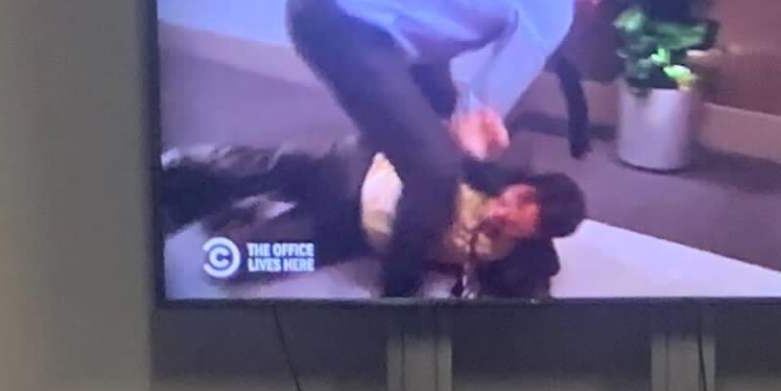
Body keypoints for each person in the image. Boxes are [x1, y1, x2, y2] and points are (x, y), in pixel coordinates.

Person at [287, 0, 624, 296]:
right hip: (342, 17)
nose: (596, 2)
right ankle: (398, 298)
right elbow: (475, 119)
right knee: (436, 172)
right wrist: (476, 147)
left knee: (435, 127)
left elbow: (463, 114)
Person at [161, 142, 589, 300]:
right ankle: (178, 170)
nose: (503, 213)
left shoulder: (511, 255)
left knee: (231, 263)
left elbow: (533, 281)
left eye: (519, 222)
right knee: (262, 168)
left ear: (534, 235)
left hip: (351, 235)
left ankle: (234, 218)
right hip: (354, 172)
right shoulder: (485, 169)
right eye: (516, 200)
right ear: (523, 184)